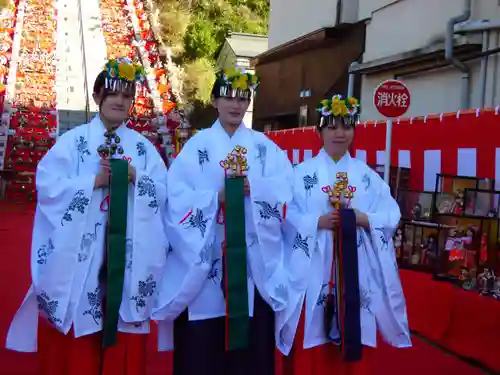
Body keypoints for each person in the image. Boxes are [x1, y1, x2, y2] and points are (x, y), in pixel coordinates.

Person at [6, 57, 169, 375]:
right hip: (82, 258)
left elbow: (165, 196)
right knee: (78, 343)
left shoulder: (144, 150)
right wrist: (93, 182)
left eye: (127, 95)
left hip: (128, 259)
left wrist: (135, 176)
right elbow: (49, 187)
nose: (120, 101)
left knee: (122, 334)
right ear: (97, 96)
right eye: (113, 93)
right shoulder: (72, 143)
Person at [154, 66, 294, 375]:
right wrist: (214, 198)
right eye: (227, 96)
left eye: (242, 97)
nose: (235, 104)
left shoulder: (265, 148)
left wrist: (255, 190)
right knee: (203, 352)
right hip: (206, 267)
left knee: (250, 352)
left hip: (252, 267)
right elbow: (175, 199)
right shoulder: (196, 147)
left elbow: (287, 194)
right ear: (215, 100)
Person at [278, 94, 411, 375]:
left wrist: (364, 219)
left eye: (346, 126)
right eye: (332, 126)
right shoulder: (300, 174)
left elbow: (392, 214)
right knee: (310, 332)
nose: (340, 133)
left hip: (356, 268)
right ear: (319, 131)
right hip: (313, 265)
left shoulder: (367, 177)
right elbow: (284, 213)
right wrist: (317, 222)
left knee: (354, 327)